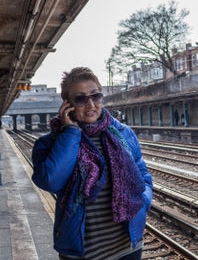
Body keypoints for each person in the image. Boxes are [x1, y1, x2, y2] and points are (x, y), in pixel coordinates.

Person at [32, 67, 153, 260]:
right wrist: (70, 132)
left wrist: (142, 202)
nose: (90, 104)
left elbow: (143, 176)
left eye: (95, 96)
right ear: (67, 104)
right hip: (83, 252)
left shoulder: (123, 133)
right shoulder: (50, 143)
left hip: (127, 246)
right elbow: (50, 181)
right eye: (80, 99)